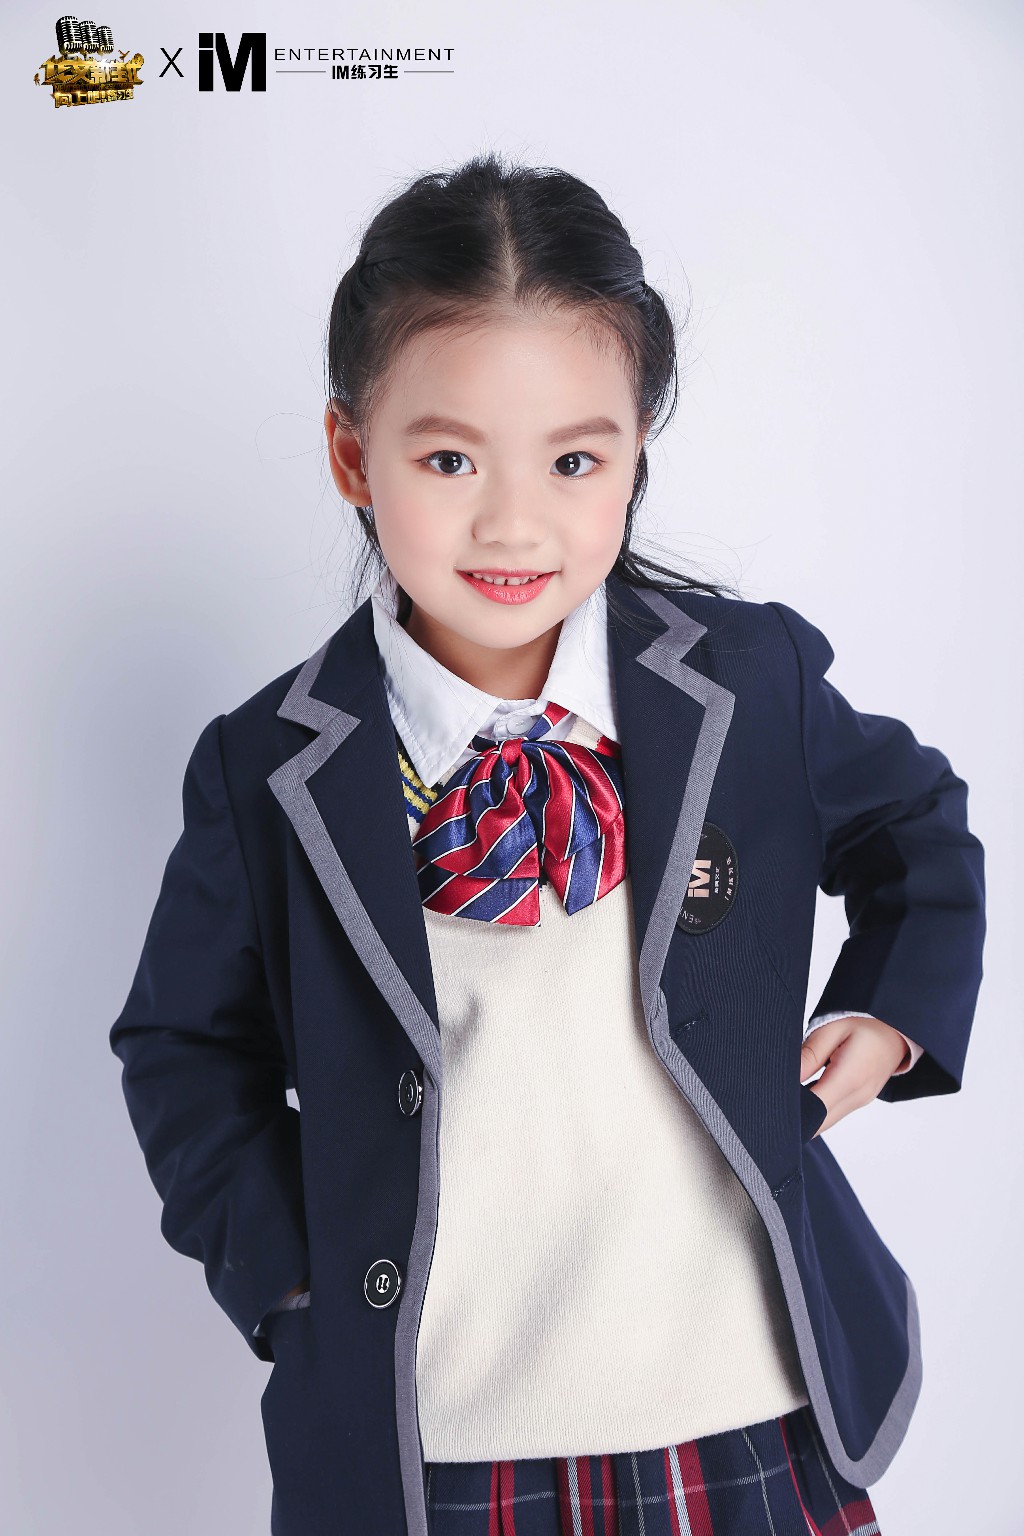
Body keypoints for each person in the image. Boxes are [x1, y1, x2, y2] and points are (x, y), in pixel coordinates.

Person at [109, 152, 986, 1536]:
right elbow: (183, 1048)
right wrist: (292, 1279)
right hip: (433, 1446)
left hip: (746, 1404)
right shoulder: (269, 762)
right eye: (449, 458)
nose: (514, 521)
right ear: (352, 453)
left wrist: (887, 1012)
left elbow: (916, 827)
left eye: (575, 460)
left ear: (635, 455)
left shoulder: (747, 683)